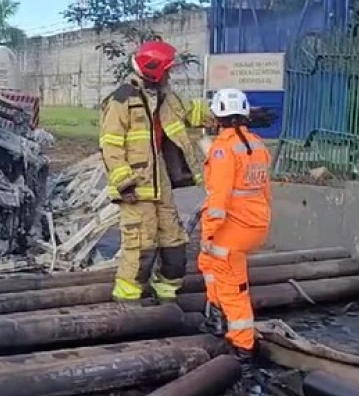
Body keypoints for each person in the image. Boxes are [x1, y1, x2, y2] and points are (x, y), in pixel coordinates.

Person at [98, 40, 210, 304]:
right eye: (168, 70)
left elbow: (192, 113)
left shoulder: (166, 96)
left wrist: (235, 115)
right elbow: (110, 145)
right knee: (141, 249)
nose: (171, 75)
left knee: (175, 244)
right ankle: (128, 304)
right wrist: (124, 183)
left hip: (161, 184)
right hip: (136, 189)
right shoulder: (121, 100)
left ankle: (167, 299)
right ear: (156, 69)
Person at [198, 88, 272, 369]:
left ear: (218, 116)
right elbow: (265, 191)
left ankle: (242, 345)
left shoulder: (223, 149)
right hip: (254, 223)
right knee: (207, 263)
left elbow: (219, 199)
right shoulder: (258, 145)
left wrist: (208, 232)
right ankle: (216, 313)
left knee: (232, 285)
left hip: (232, 227)